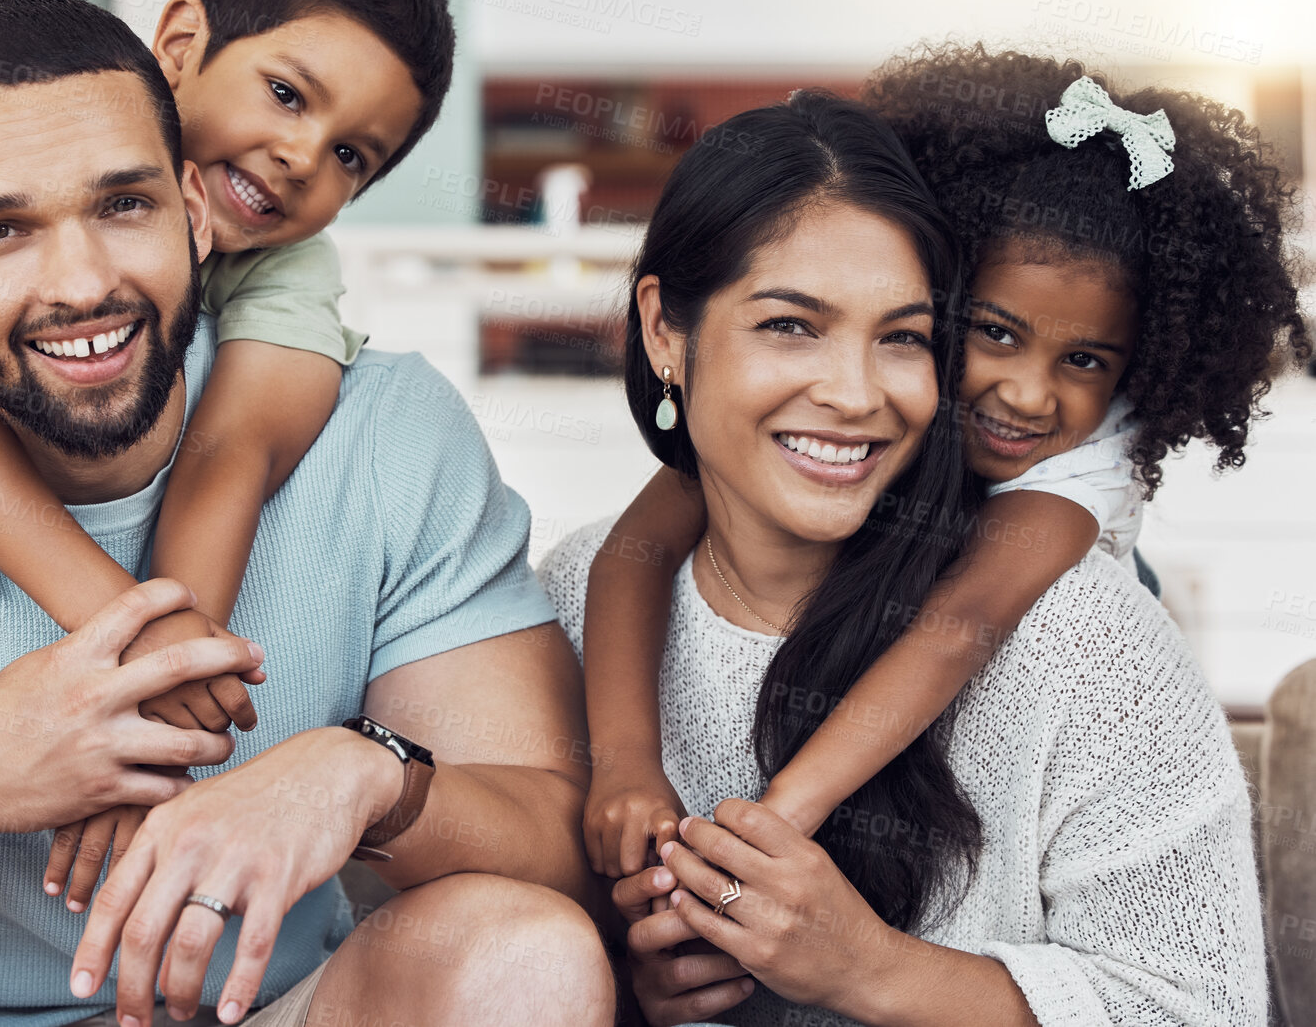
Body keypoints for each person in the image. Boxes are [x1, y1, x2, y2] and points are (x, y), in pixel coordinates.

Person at [0, 0, 613, 1027]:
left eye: (123, 205)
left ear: (193, 209)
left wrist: (365, 776)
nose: (82, 281)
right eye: (1, 229)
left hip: (262, 1012)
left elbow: (553, 841)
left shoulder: (385, 429)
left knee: (524, 956)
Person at [539, 91, 1265, 1025]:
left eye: (902, 336)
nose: (850, 393)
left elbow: (1205, 1008)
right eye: (790, 323)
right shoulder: (572, 587)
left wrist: (866, 964)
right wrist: (631, 979)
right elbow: (629, 553)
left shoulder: (1081, 624)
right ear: (664, 330)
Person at [0, 0, 457, 905]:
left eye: (355, 156)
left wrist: (156, 715)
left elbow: (234, 453)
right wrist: (134, 650)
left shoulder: (291, 271)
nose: (304, 153)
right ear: (181, 44)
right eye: (287, 93)